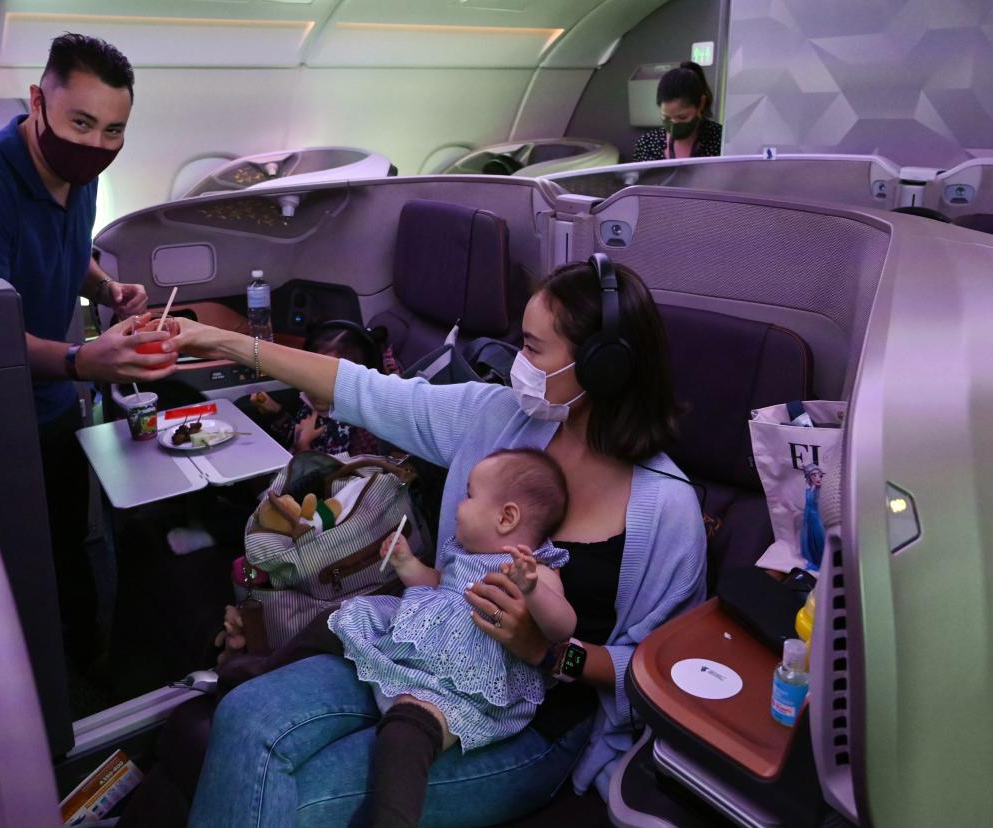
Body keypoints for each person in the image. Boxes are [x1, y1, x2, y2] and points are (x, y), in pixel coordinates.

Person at [130, 257, 706, 826]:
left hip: (526, 717)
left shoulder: (666, 509)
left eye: (533, 350)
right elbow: (362, 389)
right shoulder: (502, 418)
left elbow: (656, 675)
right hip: (422, 650)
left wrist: (551, 652)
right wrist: (220, 342)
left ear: (602, 368)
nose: (518, 368)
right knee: (246, 717)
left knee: (304, 797)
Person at [0, 33, 180, 668]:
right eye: (81, 122)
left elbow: (66, 248)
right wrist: (85, 361)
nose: (95, 146)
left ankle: (84, 665)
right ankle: (21, 681)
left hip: (53, 388)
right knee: (9, 555)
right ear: (37, 101)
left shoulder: (77, 175)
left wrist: (107, 287)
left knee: (64, 535)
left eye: (114, 131)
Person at [332, 448, 573, 826]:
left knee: (405, 734)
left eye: (469, 495)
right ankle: (261, 665)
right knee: (350, 614)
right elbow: (440, 586)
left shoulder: (533, 568)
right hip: (424, 648)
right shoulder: (464, 552)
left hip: (465, 684)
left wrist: (533, 592)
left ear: (507, 517)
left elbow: (562, 627)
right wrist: (408, 565)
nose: (460, 505)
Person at [250, 321, 385, 457]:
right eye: (312, 376)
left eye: (329, 379)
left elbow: (336, 475)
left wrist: (304, 446)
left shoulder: (355, 427)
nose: (316, 387)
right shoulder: (312, 403)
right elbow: (297, 434)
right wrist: (276, 412)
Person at [632, 61, 723, 162]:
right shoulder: (647, 144)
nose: (674, 124)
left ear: (701, 104)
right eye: (666, 117)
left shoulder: (720, 139)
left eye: (682, 117)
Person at [800, 463, 825, 571]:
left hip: (819, 520)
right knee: (811, 543)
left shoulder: (822, 491)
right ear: (809, 478)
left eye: (819, 475)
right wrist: (805, 521)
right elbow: (807, 506)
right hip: (810, 520)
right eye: (813, 475)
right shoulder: (808, 491)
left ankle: (825, 562)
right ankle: (816, 561)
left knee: (821, 540)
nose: (817, 478)